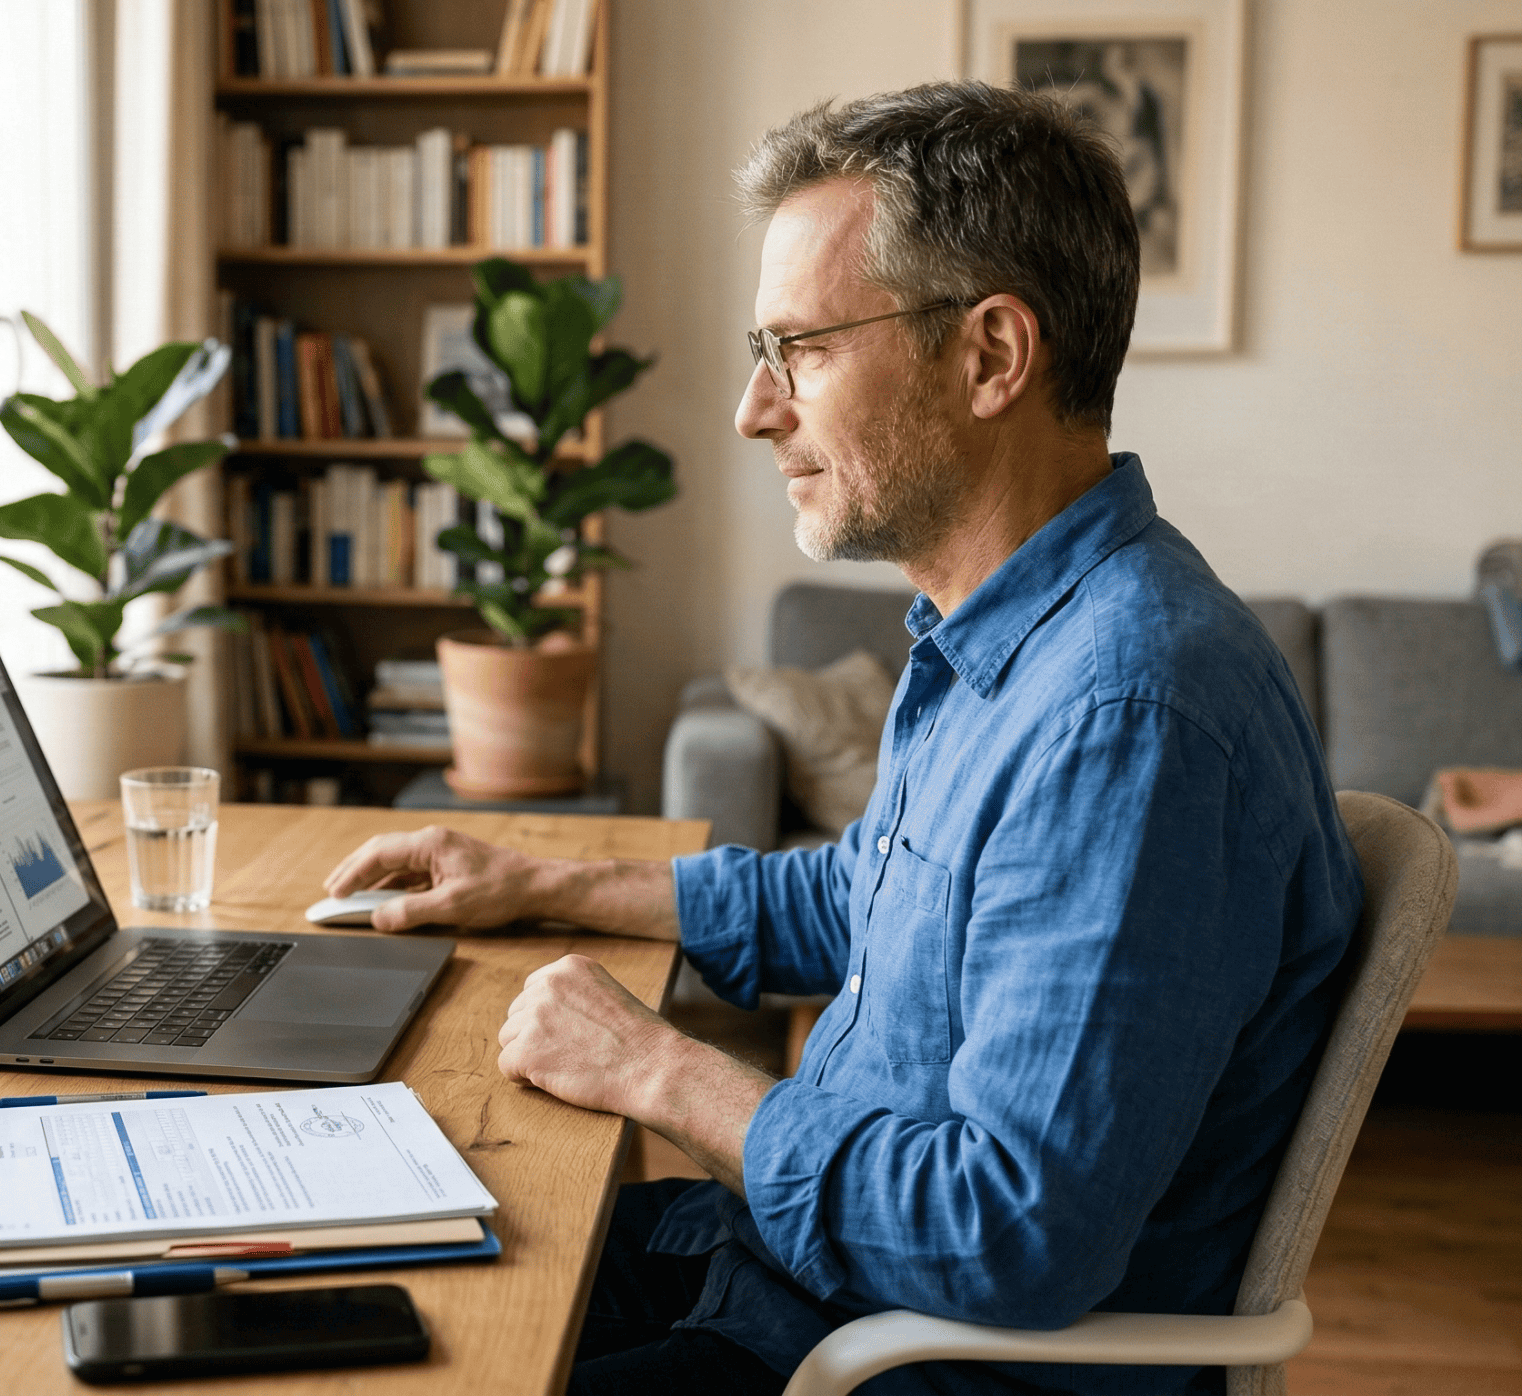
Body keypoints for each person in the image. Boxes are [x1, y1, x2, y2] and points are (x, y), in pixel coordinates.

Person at [323, 83, 1364, 1396]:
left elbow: (1007, 1238)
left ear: (991, 357)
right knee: (370, 1289)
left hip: (893, 1359)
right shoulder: (1001, 636)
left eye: (800, 350)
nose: (756, 410)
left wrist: (657, 1067)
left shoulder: (1127, 719)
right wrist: (542, 884)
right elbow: (864, 892)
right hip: (792, 1275)